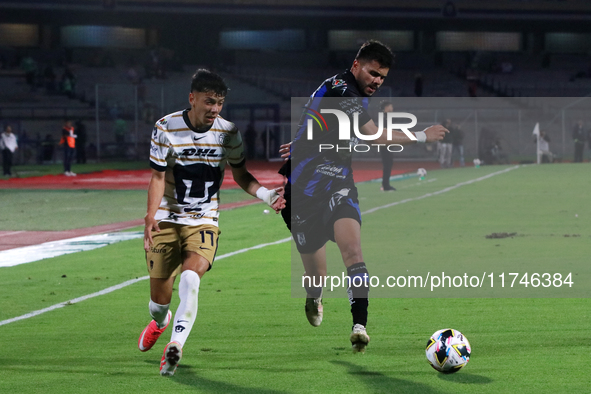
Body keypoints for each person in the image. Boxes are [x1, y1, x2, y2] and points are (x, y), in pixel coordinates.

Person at [285, 41, 447, 353]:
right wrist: (423, 135)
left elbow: (314, 123)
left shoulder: (349, 92)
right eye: (373, 73)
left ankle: (359, 326)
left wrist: (299, 144)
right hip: (304, 191)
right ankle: (314, 295)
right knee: (316, 273)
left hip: (339, 182)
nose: (377, 81)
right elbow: (374, 135)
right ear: (356, 64)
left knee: (353, 253)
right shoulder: (344, 90)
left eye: (382, 77)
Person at [139, 69, 285, 377]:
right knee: (158, 303)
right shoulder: (165, 127)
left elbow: (241, 174)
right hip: (167, 218)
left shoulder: (228, 132)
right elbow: (157, 175)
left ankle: (176, 345)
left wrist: (267, 195)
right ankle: (162, 323)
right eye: (209, 102)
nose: (215, 109)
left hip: (204, 219)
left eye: (219, 103)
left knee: (191, 279)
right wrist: (150, 216)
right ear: (192, 99)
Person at [378, 100, 395, 191]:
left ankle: (386, 184)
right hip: (385, 144)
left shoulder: (387, 117)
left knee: (389, 164)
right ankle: (385, 185)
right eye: (390, 106)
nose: (392, 108)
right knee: (387, 164)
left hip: (388, 144)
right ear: (386, 107)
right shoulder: (383, 118)